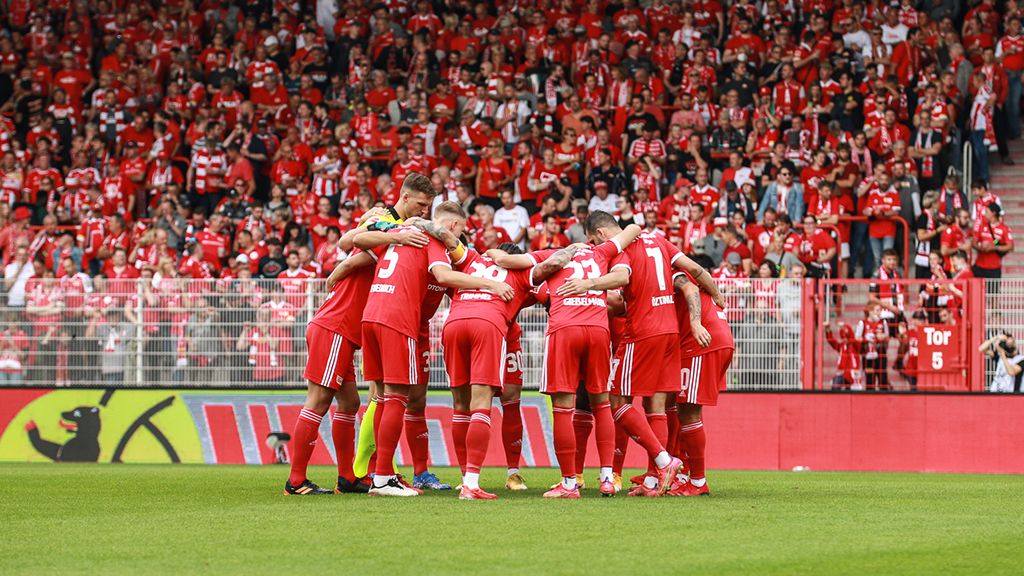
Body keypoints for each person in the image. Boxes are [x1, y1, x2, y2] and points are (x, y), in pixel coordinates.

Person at [361, 201, 512, 497]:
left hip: (373, 313)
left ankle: (391, 473)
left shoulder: (400, 232)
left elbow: (353, 241)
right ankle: (381, 477)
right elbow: (444, 276)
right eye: (462, 231)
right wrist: (489, 285)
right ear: (453, 227)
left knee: (388, 397)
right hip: (399, 320)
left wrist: (375, 225)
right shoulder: (430, 241)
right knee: (395, 398)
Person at [490, 220, 649, 498]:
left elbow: (507, 260)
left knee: (563, 407)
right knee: (601, 404)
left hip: (565, 329)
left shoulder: (550, 255)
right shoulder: (602, 253)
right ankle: (608, 478)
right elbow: (635, 228)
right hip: (599, 330)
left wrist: (489, 254)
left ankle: (568, 483)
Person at [440, 241, 577, 499]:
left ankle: (510, 472)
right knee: (482, 402)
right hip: (492, 328)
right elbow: (550, 287)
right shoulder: (522, 271)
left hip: (475, 328)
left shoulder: (471, 263)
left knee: (496, 400)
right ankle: (468, 478)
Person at [669, 265, 735, 496]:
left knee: (688, 412)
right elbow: (699, 273)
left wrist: (695, 323)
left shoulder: (673, 272)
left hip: (702, 343)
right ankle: (687, 474)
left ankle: (697, 481)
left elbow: (689, 286)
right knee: (685, 408)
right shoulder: (694, 274)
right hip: (718, 338)